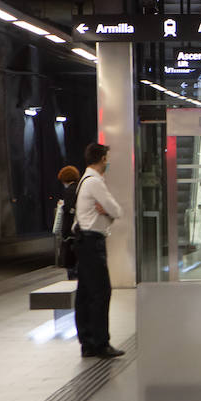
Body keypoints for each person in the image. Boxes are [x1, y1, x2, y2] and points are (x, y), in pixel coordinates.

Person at [73, 143, 125, 359]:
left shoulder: (85, 181)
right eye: (107, 158)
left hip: (84, 241)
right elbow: (116, 210)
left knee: (85, 294)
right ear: (102, 159)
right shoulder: (94, 182)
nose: (108, 162)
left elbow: (110, 210)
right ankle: (101, 343)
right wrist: (110, 213)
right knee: (101, 292)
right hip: (92, 242)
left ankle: (87, 343)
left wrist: (108, 212)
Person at [53, 165, 81, 280]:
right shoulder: (79, 188)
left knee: (70, 262)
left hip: (70, 232)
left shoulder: (69, 190)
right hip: (78, 231)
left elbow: (69, 208)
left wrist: (62, 206)